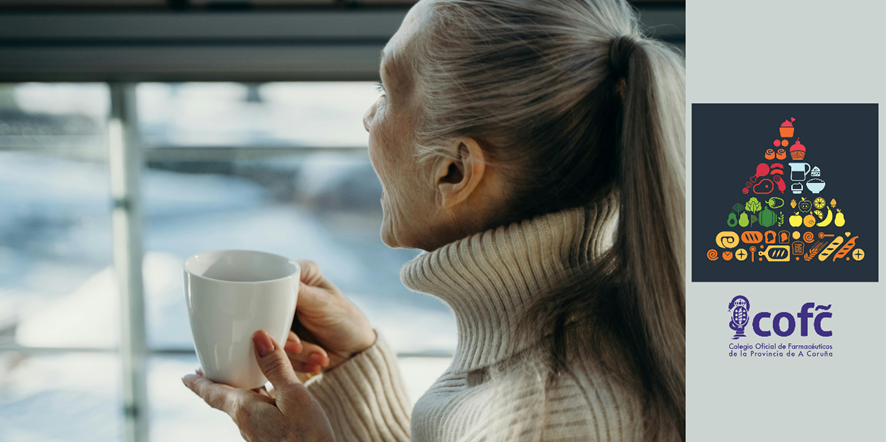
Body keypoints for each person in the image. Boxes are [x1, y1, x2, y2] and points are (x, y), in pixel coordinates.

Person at [182, 0, 685, 440]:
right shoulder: (575, 343)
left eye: (384, 93)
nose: (367, 119)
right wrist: (355, 372)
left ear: (454, 170)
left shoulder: (540, 415)